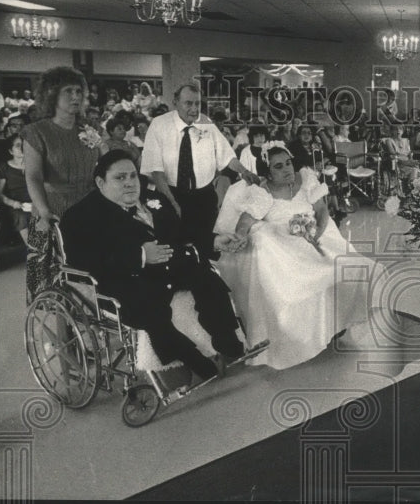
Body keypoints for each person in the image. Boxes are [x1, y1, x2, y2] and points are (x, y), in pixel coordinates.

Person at [60, 150, 247, 381]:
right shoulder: (79, 217)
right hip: (126, 278)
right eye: (120, 178)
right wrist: (139, 255)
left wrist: (214, 240)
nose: (129, 183)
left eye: (132, 176)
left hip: (169, 268)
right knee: (149, 308)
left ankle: (227, 343)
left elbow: (181, 233)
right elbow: (83, 261)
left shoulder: (152, 200)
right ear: (100, 182)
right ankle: (191, 360)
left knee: (207, 278)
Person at [214, 144, 368, 370]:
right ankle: (302, 336)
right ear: (267, 173)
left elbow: (322, 211)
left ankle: (335, 322)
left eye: (288, 162)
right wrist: (240, 237)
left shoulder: (305, 178)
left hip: (317, 233)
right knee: (297, 281)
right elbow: (245, 222)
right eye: (278, 166)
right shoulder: (262, 192)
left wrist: (316, 234)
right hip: (284, 243)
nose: (287, 169)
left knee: (350, 266)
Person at [140, 82, 258, 259]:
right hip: (170, 193)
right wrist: (172, 203)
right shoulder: (159, 125)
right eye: (189, 103)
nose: (194, 109)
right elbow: (156, 172)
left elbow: (226, 155)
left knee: (206, 247)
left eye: (198, 103)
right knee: (176, 246)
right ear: (175, 102)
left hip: (203, 197)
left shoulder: (206, 123)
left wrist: (244, 171)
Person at [20, 66, 101, 298]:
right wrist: (44, 210)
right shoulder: (36, 132)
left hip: (89, 206)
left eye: (79, 91)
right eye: (68, 91)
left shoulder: (90, 129)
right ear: (52, 94)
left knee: (91, 272)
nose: (76, 96)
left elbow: (105, 165)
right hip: (53, 207)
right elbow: (33, 176)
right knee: (57, 279)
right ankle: (61, 329)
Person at [0, 135, 31, 244]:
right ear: (11, 151)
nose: (22, 148)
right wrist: (13, 203)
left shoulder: (36, 165)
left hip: (36, 201)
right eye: (18, 145)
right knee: (21, 216)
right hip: (16, 205)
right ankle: (34, 250)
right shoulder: (4, 167)